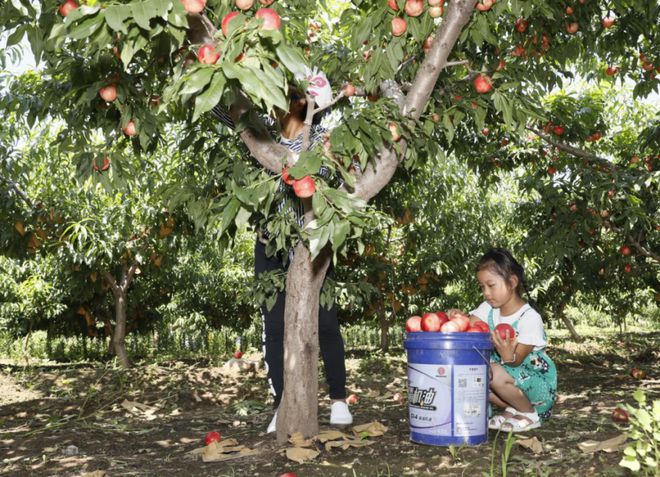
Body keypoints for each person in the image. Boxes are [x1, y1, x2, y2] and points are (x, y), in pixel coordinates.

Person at [211, 71, 352, 434]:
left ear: (303, 103)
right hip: (270, 243)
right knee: (274, 327)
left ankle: (338, 399)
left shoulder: (323, 139)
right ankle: (282, 404)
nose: (273, 104)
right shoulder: (264, 139)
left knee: (325, 321)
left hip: (312, 241)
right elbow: (225, 110)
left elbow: (338, 181)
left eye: (284, 96)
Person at [468, 248, 557, 433]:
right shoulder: (487, 309)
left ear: (512, 282)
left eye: (491, 285)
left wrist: (509, 356)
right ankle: (514, 409)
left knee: (491, 371)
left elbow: (517, 361)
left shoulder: (529, 318)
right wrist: (456, 319)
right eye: (482, 287)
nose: (486, 292)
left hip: (538, 389)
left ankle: (531, 414)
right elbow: (468, 328)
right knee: (474, 375)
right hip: (509, 384)